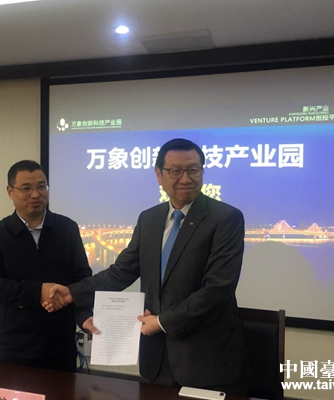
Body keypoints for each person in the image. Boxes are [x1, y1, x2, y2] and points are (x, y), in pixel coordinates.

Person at [45, 138, 250, 394]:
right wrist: (72, 293)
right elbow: (121, 272)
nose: (185, 178)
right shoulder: (149, 218)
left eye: (193, 170)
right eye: (176, 171)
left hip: (207, 360)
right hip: (158, 360)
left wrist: (162, 322)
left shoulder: (225, 218)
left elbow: (218, 289)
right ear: (159, 174)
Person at [0, 160, 92, 372]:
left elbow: (83, 279)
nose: (36, 194)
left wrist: (83, 314)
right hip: (14, 347)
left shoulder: (67, 228)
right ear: (10, 192)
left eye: (41, 186)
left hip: (61, 345)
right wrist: (38, 291)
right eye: (26, 188)